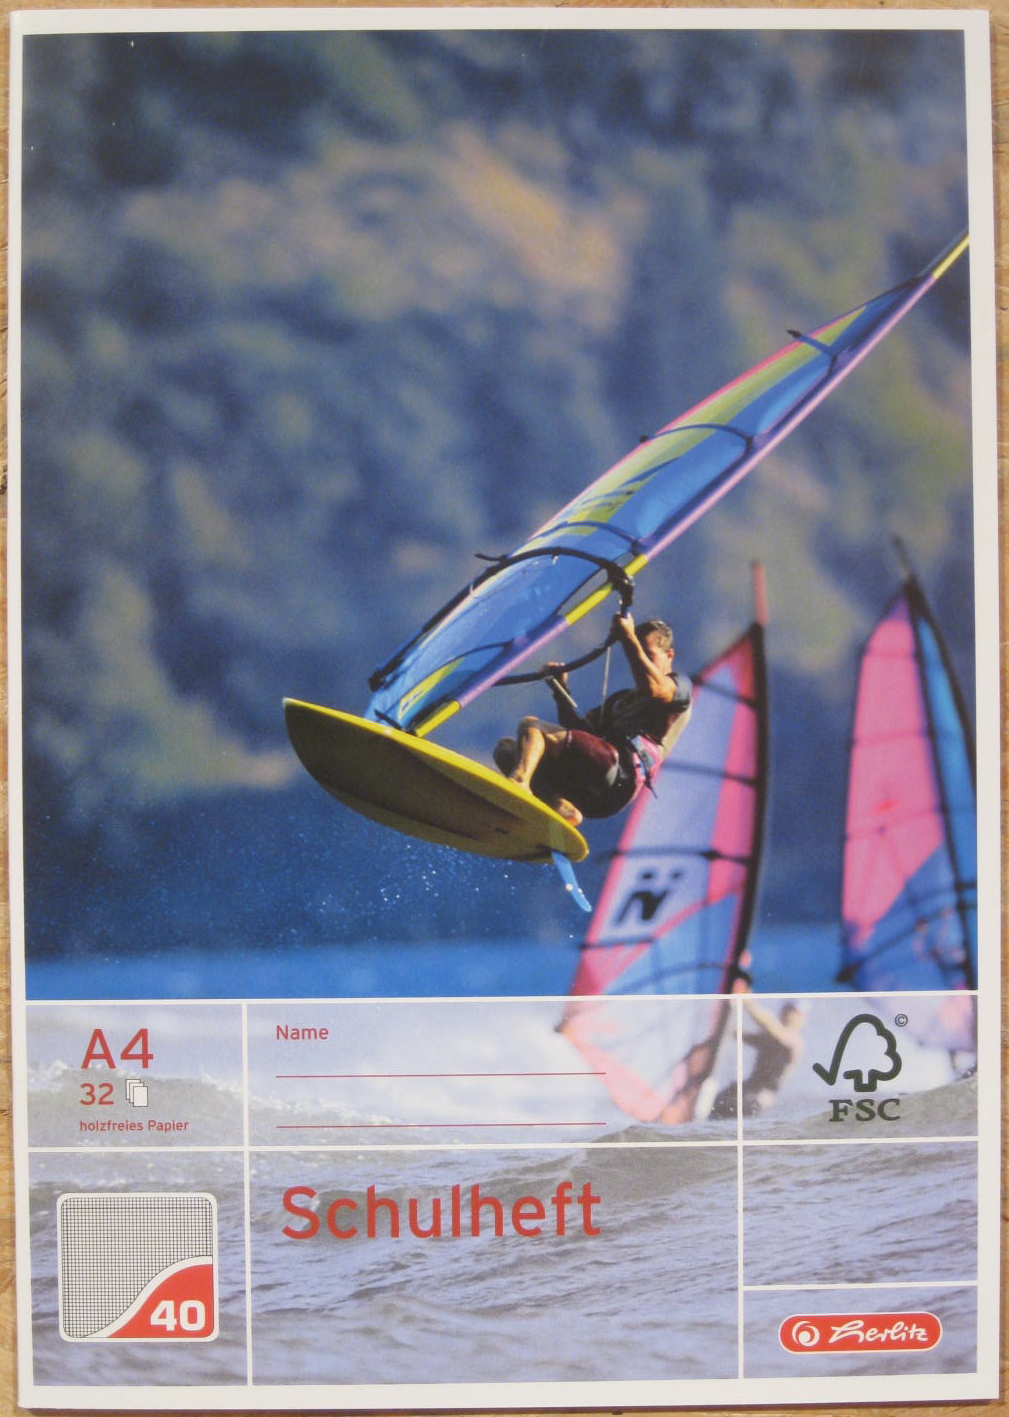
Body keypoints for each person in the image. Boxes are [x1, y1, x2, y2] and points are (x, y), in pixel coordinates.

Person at [492, 612, 693, 827]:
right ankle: (561, 808)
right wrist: (561, 691)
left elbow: (654, 688)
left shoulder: (679, 687)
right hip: (594, 791)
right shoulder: (621, 700)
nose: (641, 658)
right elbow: (578, 733)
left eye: (649, 654)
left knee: (532, 726)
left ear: (669, 655)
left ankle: (519, 784)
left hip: (621, 776)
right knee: (507, 750)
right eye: (639, 651)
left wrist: (628, 637)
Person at [709, 998, 808, 1120]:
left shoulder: (795, 1042)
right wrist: (722, 1024)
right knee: (716, 1102)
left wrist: (748, 1003)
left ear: (802, 1019)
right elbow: (737, 1034)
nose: (789, 1015)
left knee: (734, 1107)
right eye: (787, 1010)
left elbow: (770, 1026)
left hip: (759, 1098)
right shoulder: (769, 1038)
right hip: (747, 1088)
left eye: (794, 1013)